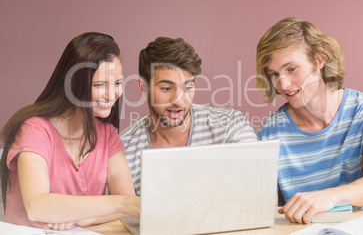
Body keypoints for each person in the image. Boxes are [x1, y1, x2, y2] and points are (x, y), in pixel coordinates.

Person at [255, 17, 363, 224]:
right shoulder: (268, 135)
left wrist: (328, 197)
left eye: (291, 69)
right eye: (274, 74)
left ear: (319, 60)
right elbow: (264, 211)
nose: (283, 84)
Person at [0, 32, 138, 230]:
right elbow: (37, 206)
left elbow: (129, 204)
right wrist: (120, 203)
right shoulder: (35, 130)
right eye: (99, 85)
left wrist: (84, 217)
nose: (112, 94)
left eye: (117, 83)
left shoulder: (108, 136)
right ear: (74, 84)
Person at [120, 37, 258, 195]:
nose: (178, 100)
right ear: (143, 88)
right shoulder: (122, 149)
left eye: (188, 87)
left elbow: (257, 188)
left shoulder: (229, 126)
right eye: (166, 88)